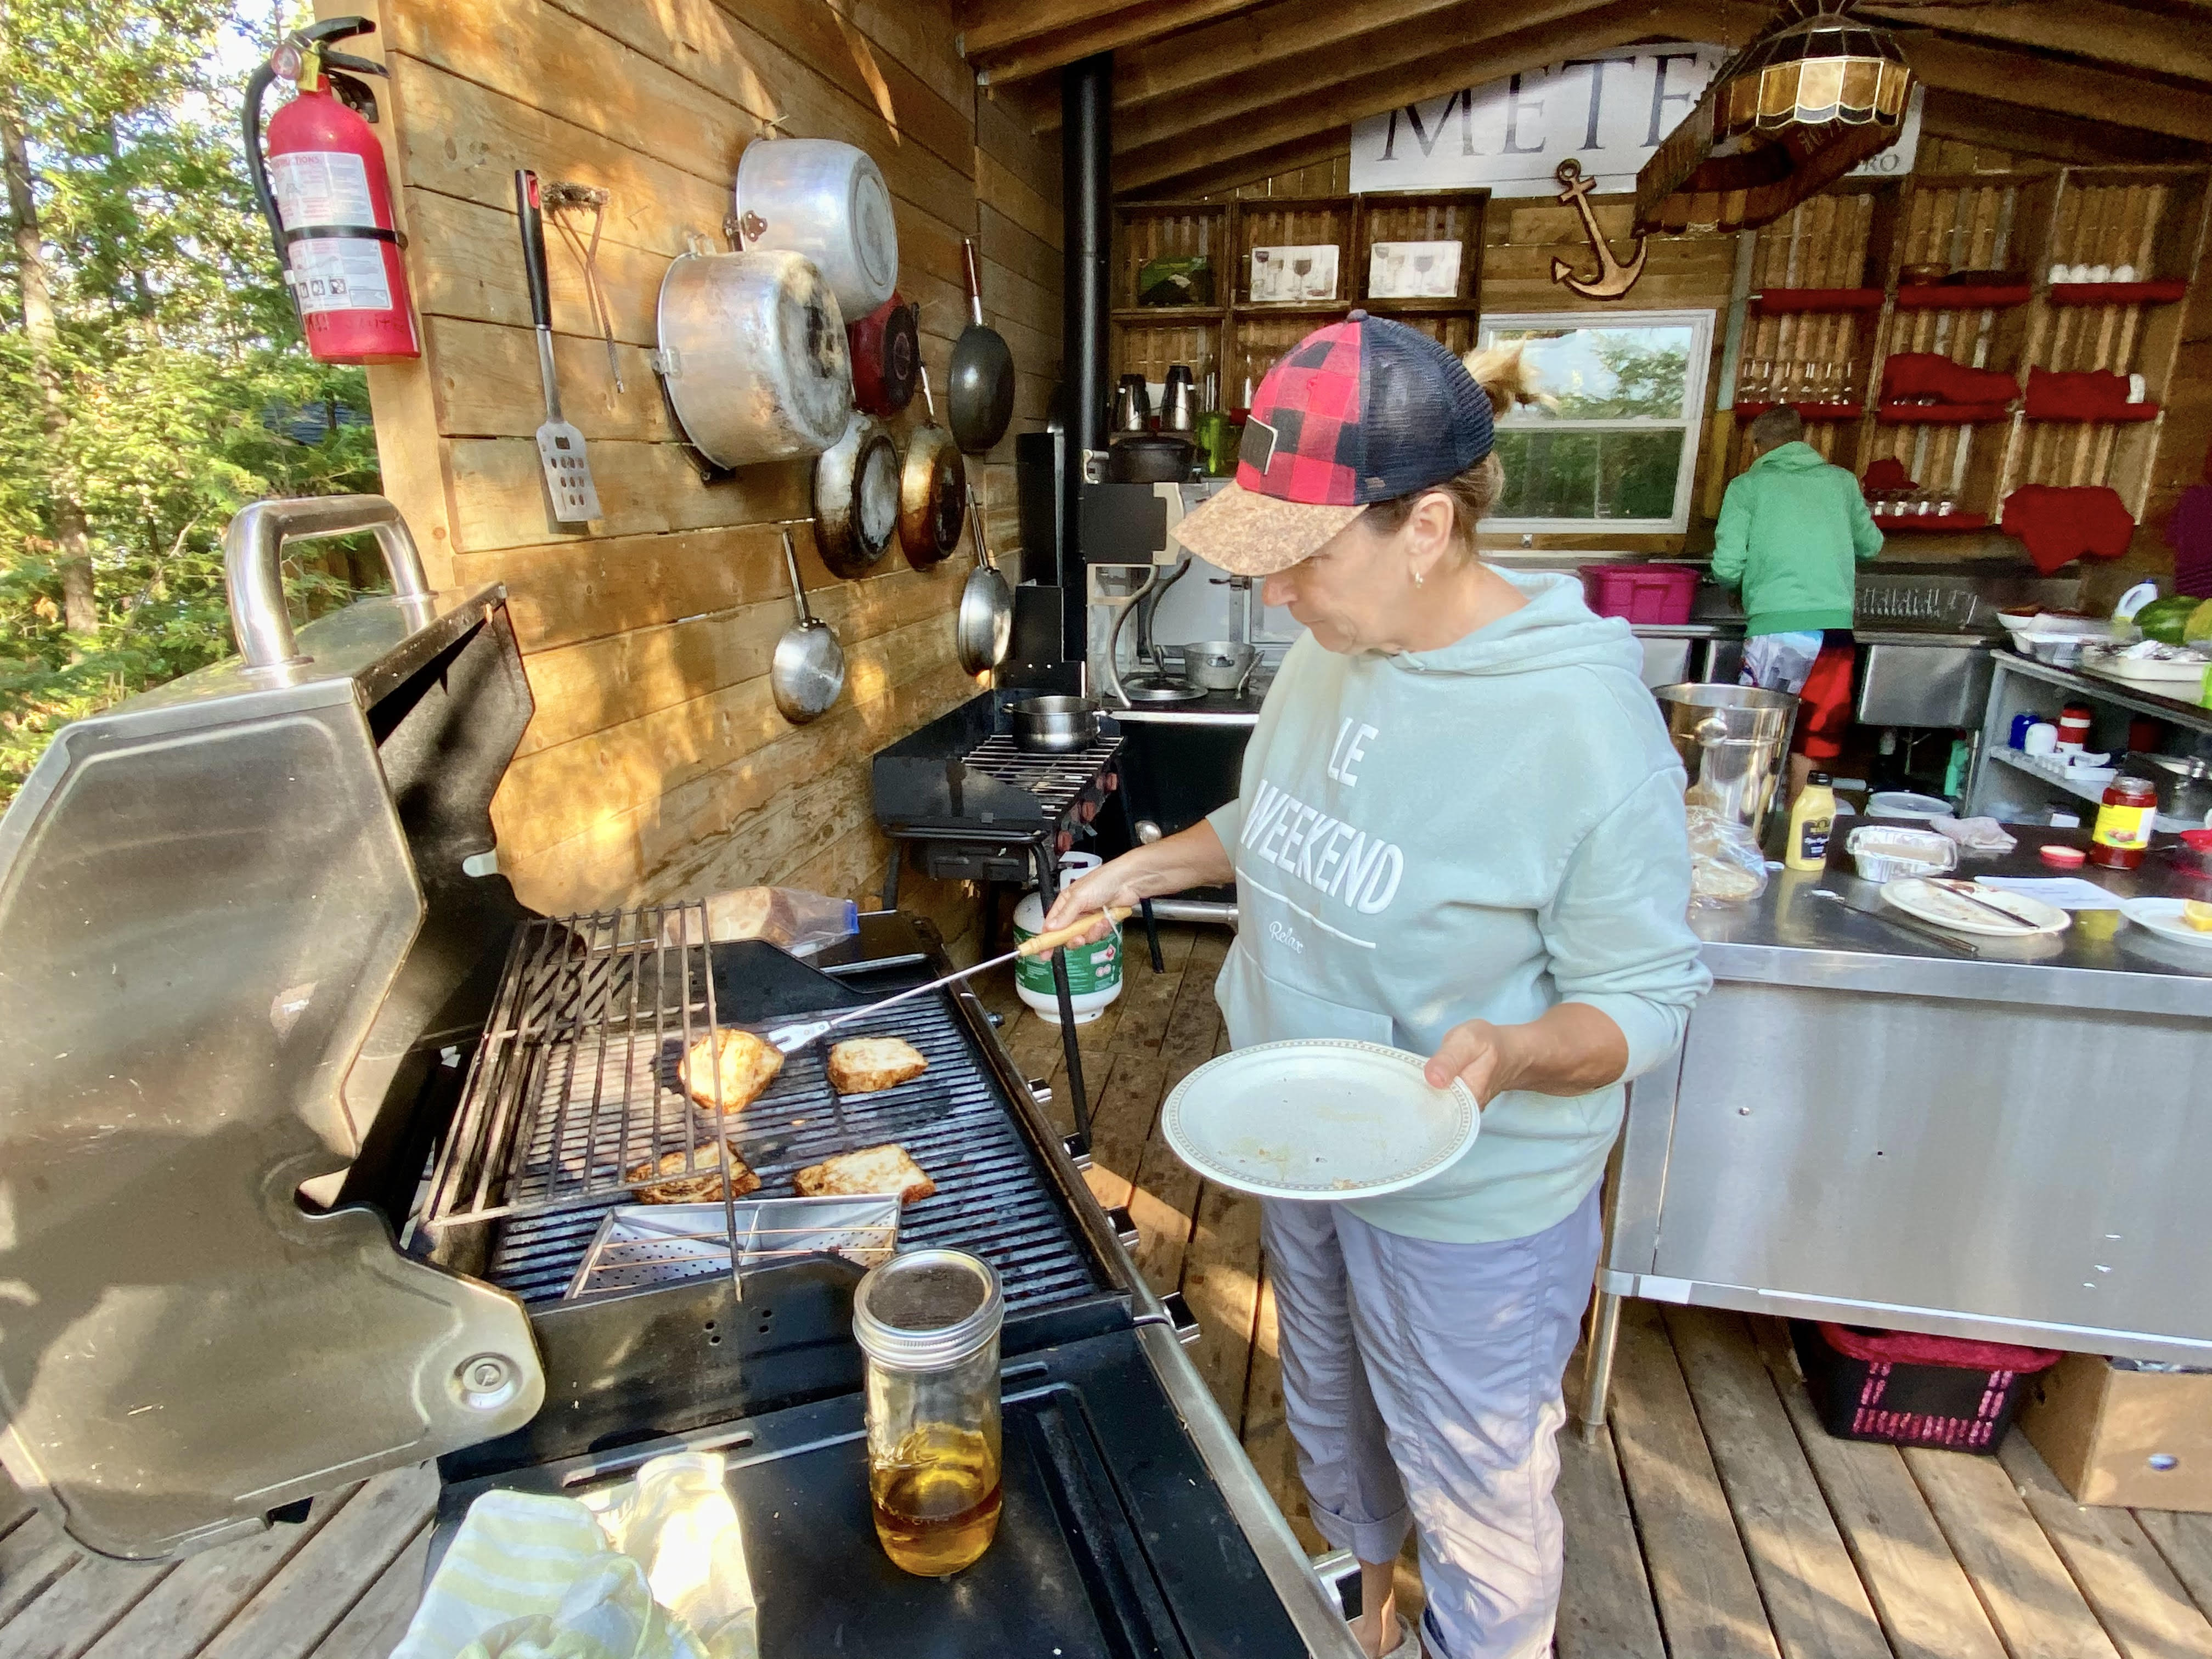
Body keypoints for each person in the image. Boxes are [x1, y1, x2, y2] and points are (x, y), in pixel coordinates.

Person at [1045, 313, 1711, 1659]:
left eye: (1305, 559)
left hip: (1471, 1198)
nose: (1277, 596)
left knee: (1477, 1487)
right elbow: (1269, 819)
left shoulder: (1581, 721)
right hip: (1308, 1138)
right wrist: (1138, 871)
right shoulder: (1340, 651)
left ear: (1429, 526)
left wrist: (1515, 1056)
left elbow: (1646, 999)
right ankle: (1369, 1603)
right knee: (1338, 1410)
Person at [1711, 404, 1883, 803]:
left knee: (1757, 738)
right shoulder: (1841, 482)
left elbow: (1726, 565)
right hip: (1833, 631)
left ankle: (1748, 837)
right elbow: (1872, 545)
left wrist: (1738, 585)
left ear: (1757, 448)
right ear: (1803, 440)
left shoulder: (1747, 487)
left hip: (1779, 631)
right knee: (1814, 738)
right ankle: (1795, 837)